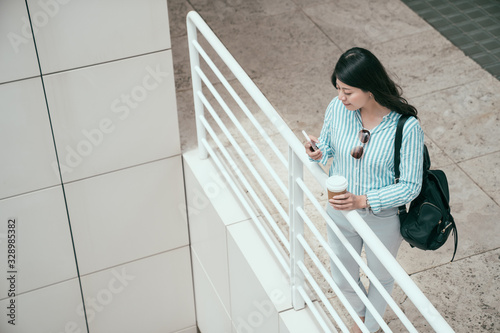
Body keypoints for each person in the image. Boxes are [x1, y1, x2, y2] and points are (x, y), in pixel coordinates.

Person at [304, 47, 424, 333]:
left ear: (370, 88)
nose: (340, 97)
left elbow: (410, 186)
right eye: (338, 89)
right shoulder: (337, 109)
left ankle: (367, 329)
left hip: (380, 217)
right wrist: (318, 152)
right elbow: (330, 146)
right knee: (343, 276)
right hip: (339, 210)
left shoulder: (406, 127)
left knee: (381, 277)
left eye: (348, 91)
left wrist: (363, 200)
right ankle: (363, 322)